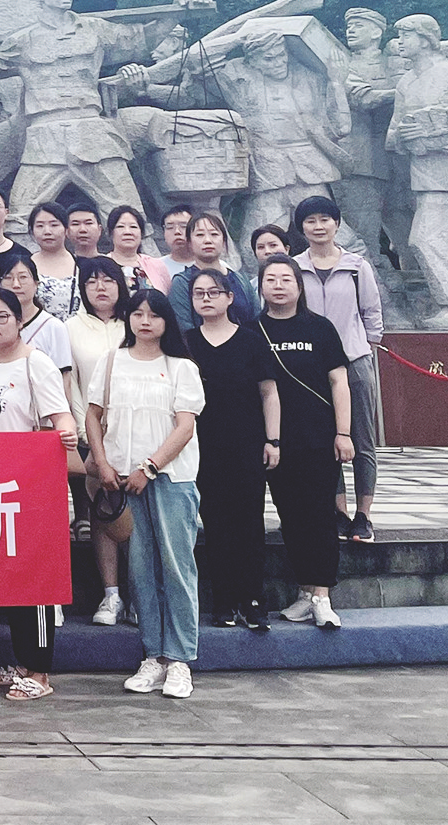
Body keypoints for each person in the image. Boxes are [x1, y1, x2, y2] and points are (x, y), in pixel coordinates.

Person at [83, 289, 204, 700]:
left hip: (170, 478)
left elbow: (184, 427)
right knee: (140, 568)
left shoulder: (181, 367)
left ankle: (180, 659)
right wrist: (103, 463)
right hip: (121, 479)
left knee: (177, 566)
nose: (145, 321)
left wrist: (150, 467)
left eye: (154, 315)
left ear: (167, 321)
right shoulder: (111, 361)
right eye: (138, 314)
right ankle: (153, 655)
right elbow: (93, 416)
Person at [0, 286, 76, 701]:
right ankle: (22, 660)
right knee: (11, 576)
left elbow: (61, 416)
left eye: (2, 317)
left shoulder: (37, 363)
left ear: (19, 320)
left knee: (35, 578)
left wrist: (66, 434)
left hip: (31, 486)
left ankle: (40, 671)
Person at [254, 256, 355, 630]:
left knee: (320, 516)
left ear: (299, 286)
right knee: (291, 517)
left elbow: (338, 382)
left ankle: (322, 595)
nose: (278, 285)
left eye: (286, 279)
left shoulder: (320, 328)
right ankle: (304, 591)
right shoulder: (252, 331)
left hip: (318, 438)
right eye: (271, 279)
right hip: (275, 442)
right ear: (260, 287)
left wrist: (343, 432)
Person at [182, 264, 277, 633]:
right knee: (215, 523)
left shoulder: (251, 340)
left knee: (249, 522)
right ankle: (223, 600)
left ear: (230, 298)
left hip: (247, 444)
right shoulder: (186, 343)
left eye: (213, 292)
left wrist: (273, 440)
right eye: (199, 294)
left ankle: (253, 600)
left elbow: (269, 393)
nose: (206, 299)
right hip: (202, 447)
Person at [292, 195, 385, 543]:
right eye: (310, 221)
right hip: (312, 365)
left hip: (354, 361)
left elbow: (372, 313)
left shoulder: (357, 266)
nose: (318, 226)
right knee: (324, 440)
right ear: (301, 228)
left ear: (336, 224)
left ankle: (363, 515)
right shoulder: (294, 268)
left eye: (324, 219)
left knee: (361, 439)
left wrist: (364, 347)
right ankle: (338, 512)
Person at [68, 257, 131, 607]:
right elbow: (72, 384)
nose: (100, 287)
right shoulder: (70, 328)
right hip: (91, 435)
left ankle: (138, 592)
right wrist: (85, 432)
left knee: (136, 514)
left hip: (134, 434)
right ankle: (111, 594)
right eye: (91, 281)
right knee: (102, 510)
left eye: (108, 280)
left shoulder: (135, 322)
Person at [167, 212, 254, 327]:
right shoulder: (182, 282)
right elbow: (184, 327)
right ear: (189, 243)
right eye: (200, 235)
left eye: (214, 234)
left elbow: (255, 319)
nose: (208, 240)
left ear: (224, 241)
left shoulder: (240, 279)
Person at [0, 258, 75, 382]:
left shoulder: (53, 326)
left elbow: (64, 375)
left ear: (36, 284)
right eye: (8, 278)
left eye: (23, 277)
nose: (16, 284)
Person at [28, 203, 81, 320]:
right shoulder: (25, 266)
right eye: (40, 226)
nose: (47, 231)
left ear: (66, 229)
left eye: (54, 225)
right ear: (32, 231)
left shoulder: (82, 265)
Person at [104, 205, 168, 293]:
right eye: (120, 227)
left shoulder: (157, 266)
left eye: (133, 227)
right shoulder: (102, 266)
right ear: (110, 232)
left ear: (142, 233)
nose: (127, 232)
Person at [155, 204, 199, 285]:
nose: (177, 232)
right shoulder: (155, 267)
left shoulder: (216, 266)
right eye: (170, 227)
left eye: (184, 226)